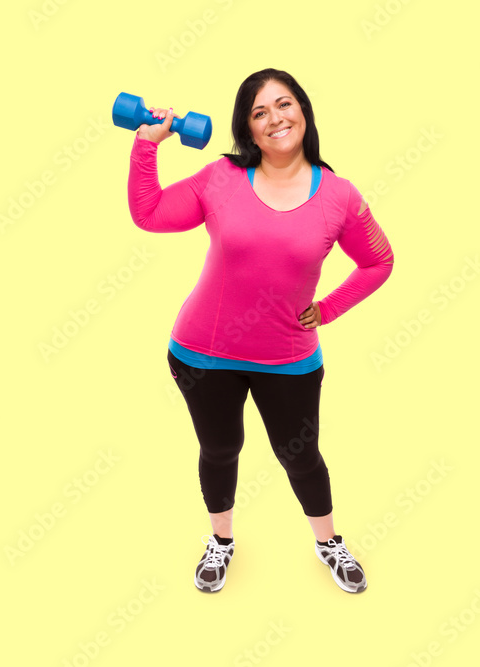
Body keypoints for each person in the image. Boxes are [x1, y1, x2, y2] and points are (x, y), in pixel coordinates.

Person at [126, 68, 394, 594]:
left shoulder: (339, 196)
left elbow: (379, 263)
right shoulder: (221, 177)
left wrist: (330, 308)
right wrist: (146, 145)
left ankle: (328, 543)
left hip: (288, 359)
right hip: (202, 354)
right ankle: (221, 543)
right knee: (221, 449)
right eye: (259, 111)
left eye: (284, 104)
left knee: (300, 456)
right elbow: (150, 213)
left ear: (304, 112)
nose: (275, 118)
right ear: (248, 131)